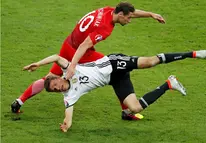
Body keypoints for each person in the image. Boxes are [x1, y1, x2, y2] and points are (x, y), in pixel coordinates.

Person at [11, 2, 166, 120]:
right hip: (80, 52)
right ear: (120, 14)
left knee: (49, 78)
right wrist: (72, 66)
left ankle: (19, 101)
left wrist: (150, 14)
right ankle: (127, 111)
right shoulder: (105, 27)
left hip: (68, 44)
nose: (130, 19)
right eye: (129, 17)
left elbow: (130, 12)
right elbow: (84, 45)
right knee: (114, 69)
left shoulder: (107, 10)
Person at [22, 49, 206, 132]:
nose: (59, 87)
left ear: (57, 78)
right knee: (135, 108)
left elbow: (56, 56)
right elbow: (68, 115)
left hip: (113, 63)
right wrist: (66, 125)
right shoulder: (69, 95)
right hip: (115, 79)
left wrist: (38, 64)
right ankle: (170, 83)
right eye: (56, 90)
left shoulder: (67, 70)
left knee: (151, 62)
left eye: (57, 84)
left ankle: (192, 54)